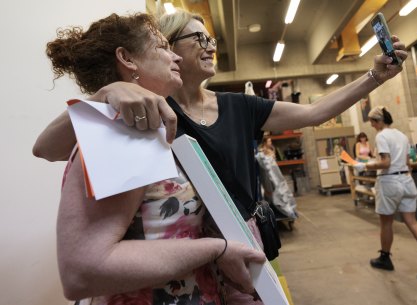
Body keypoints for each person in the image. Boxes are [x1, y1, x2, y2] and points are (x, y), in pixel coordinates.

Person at [34, 5, 407, 288]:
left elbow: (313, 112)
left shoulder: (236, 105)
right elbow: (47, 149)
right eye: (196, 40)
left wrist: (374, 77)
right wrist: (107, 94)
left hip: (244, 244)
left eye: (210, 39)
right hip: (191, 270)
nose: (207, 48)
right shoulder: (148, 113)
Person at [46, 13, 266, 305]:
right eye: (161, 47)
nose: (174, 56)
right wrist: (215, 249)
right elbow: (81, 271)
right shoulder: (122, 133)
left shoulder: (144, 128)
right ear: (126, 58)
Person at [354, 106, 417, 284]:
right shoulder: (402, 135)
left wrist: (365, 166)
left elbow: (385, 163)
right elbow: (407, 162)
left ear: (378, 121)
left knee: (386, 222)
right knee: (412, 222)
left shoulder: (382, 136)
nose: (372, 126)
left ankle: (385, 258)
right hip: (407, 180)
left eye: (373, 122)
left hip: (390, 182)